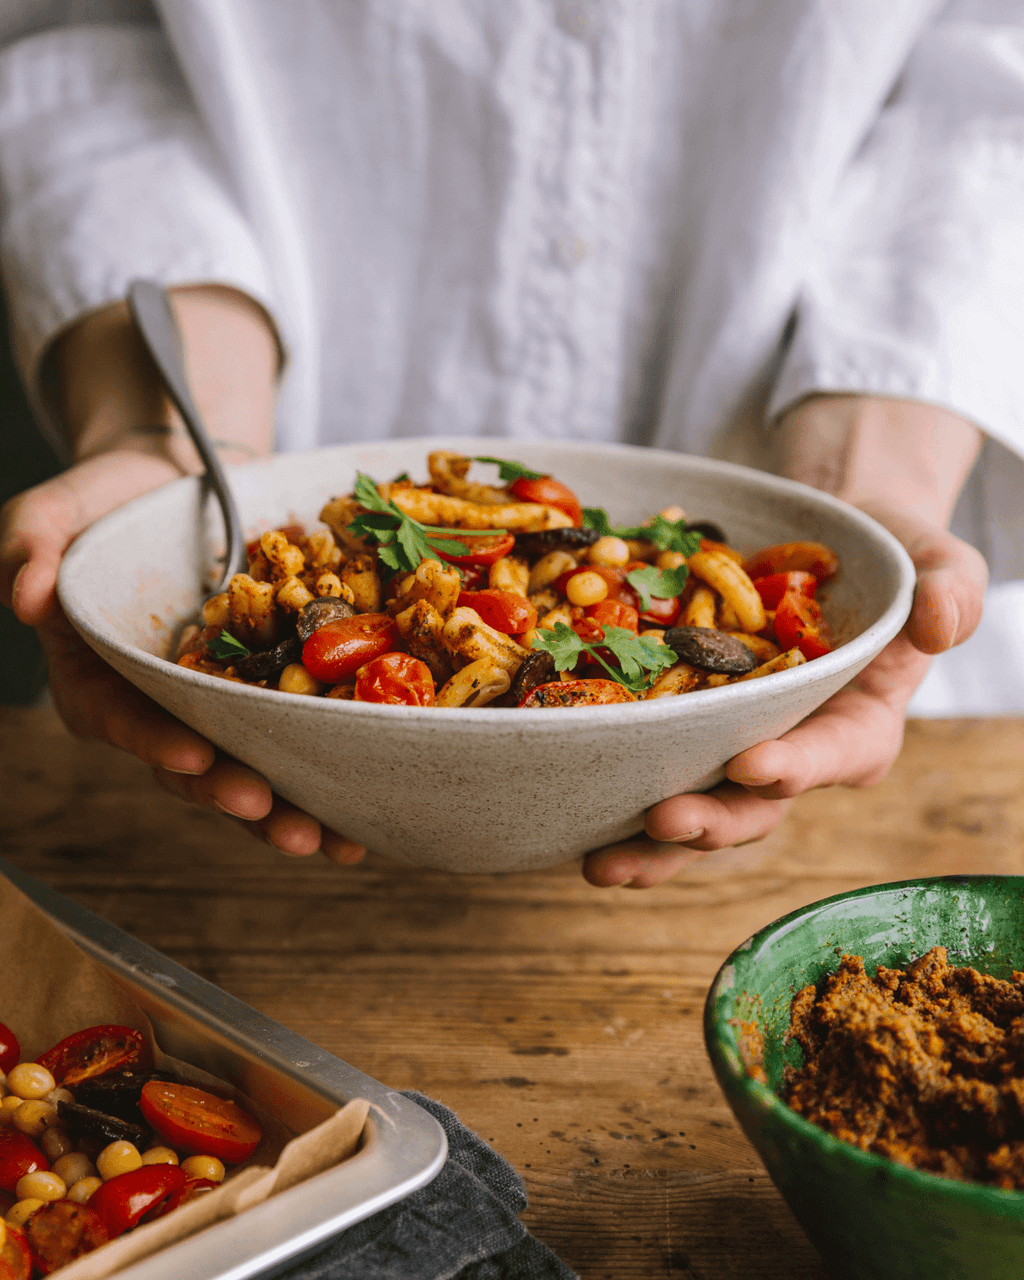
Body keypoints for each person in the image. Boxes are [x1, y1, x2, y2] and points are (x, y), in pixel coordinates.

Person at [0, 2, 1015, 888]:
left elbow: (987, 92)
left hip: (905, 765)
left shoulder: (651, 592)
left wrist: (861, 484)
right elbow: (86, 44)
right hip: (187, 823)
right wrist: (173, 434)